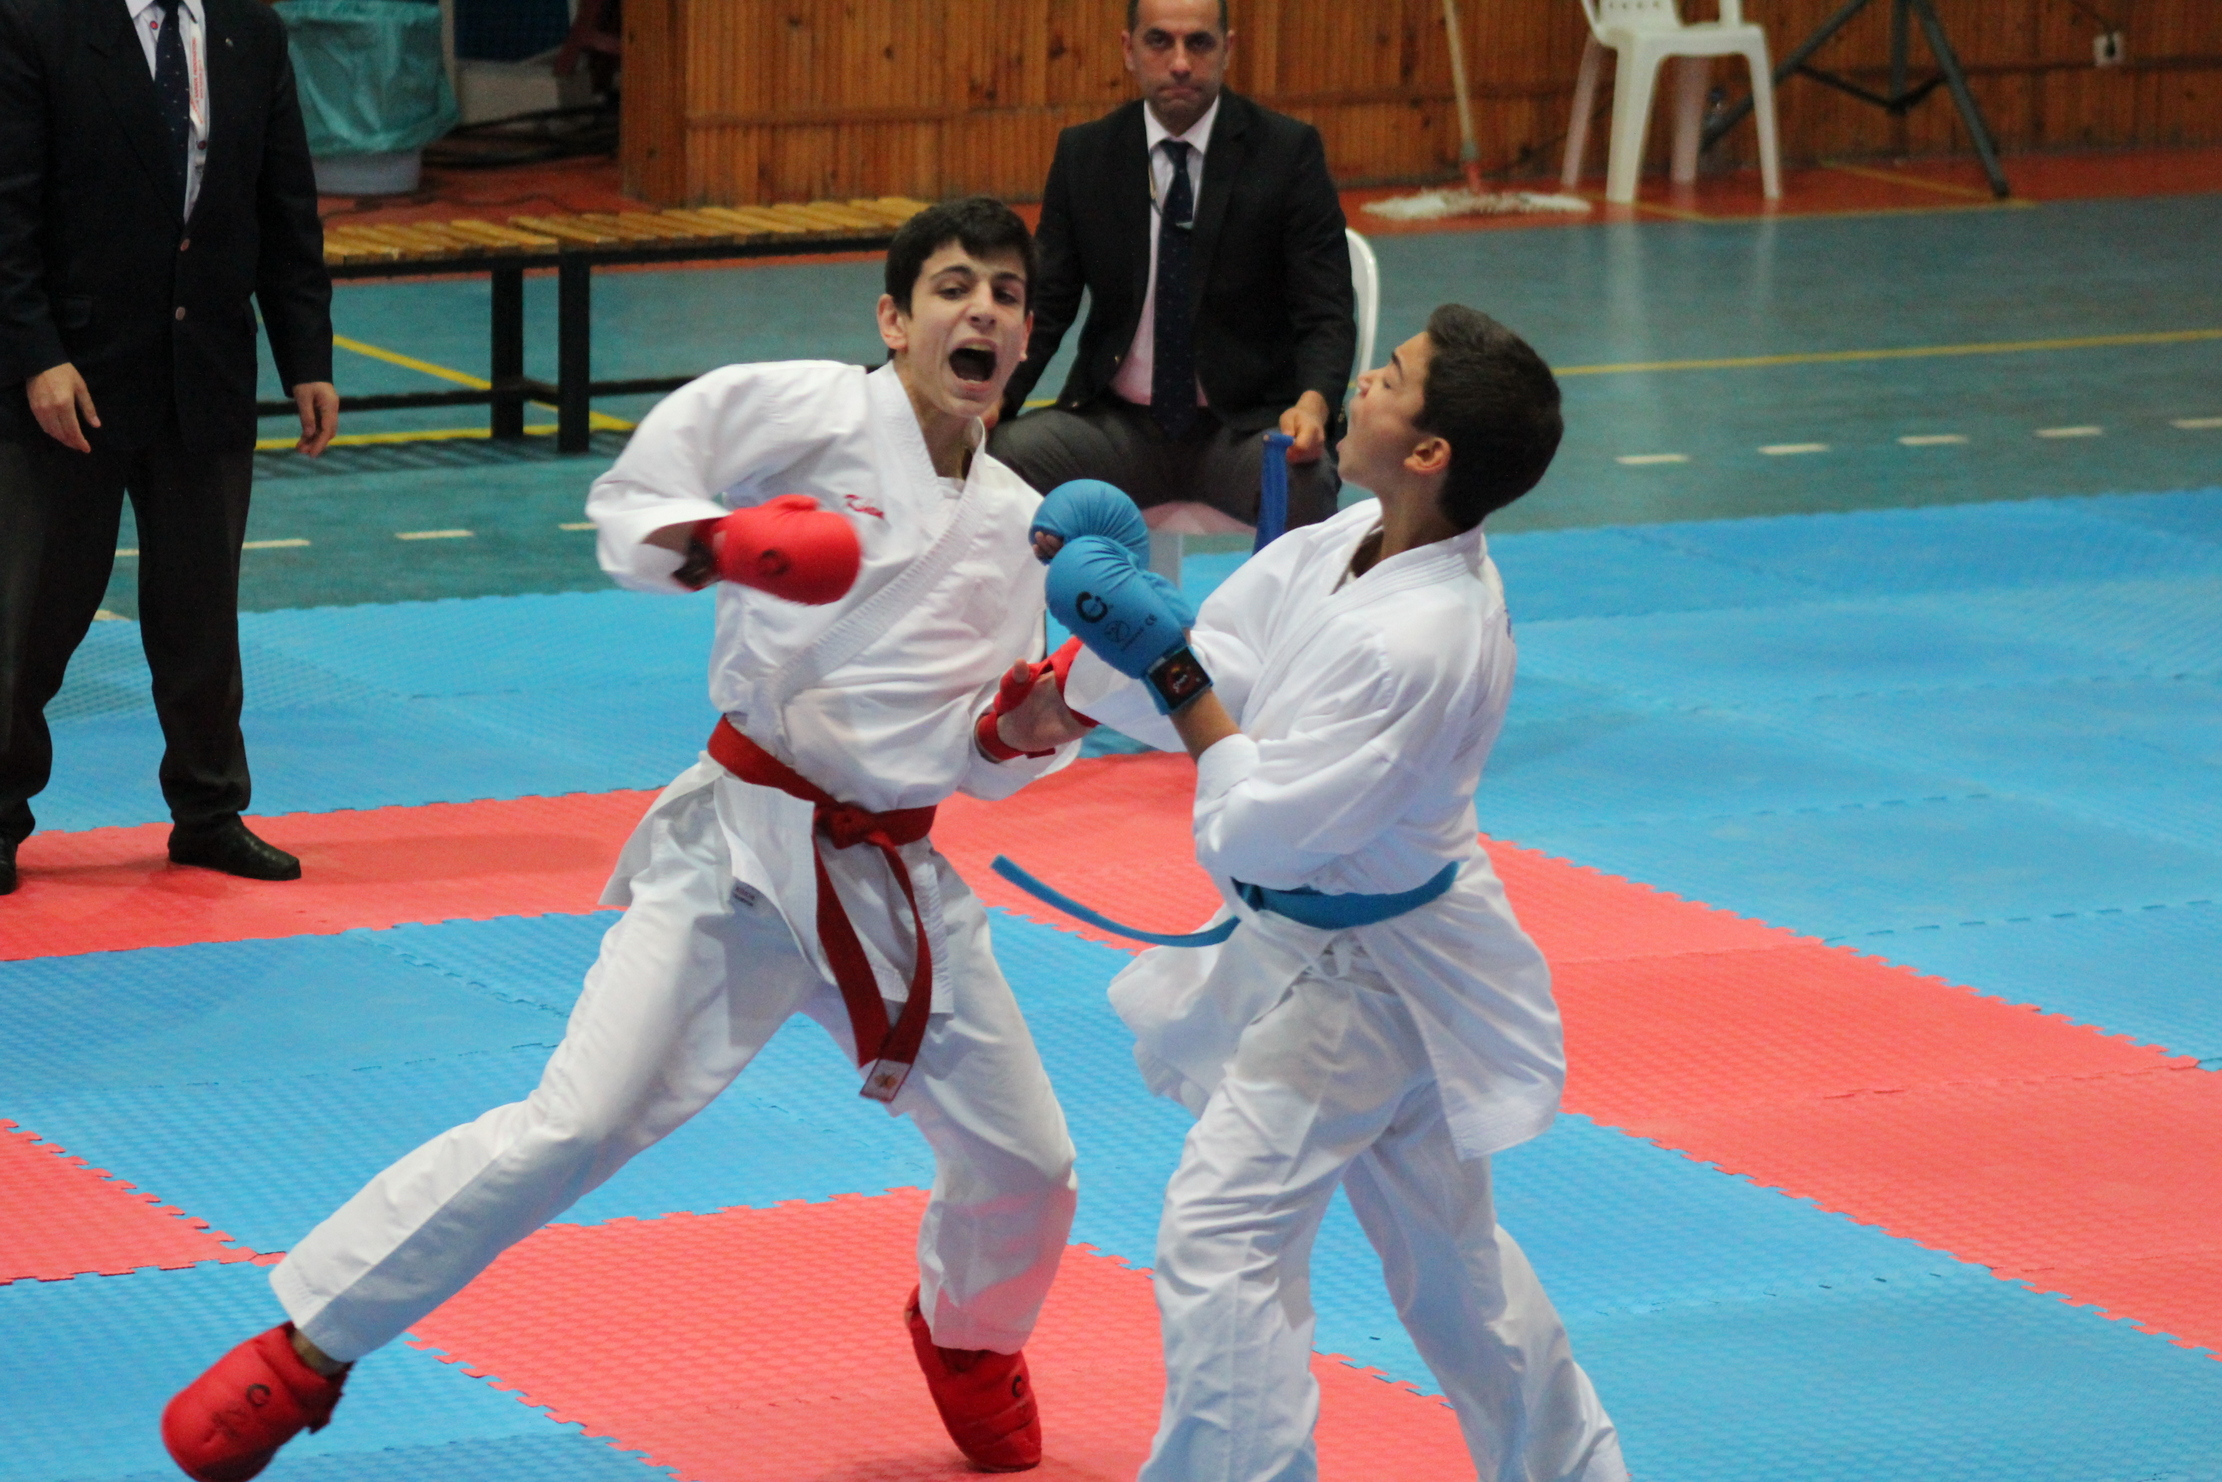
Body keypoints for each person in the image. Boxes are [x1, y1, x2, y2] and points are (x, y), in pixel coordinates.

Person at [159, 197, 1103, 1481]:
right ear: (893, 318)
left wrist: (1025, 727)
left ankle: (969, 1340)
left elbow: (972, 758)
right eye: (951, 287)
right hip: (738, 857)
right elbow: (631, 497)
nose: (980, 310)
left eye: (1004, 293)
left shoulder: (1014, 524)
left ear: (1029, 334)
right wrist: (718, 545)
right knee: (573, 1124)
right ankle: (308, 1344)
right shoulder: (807, 411)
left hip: (887, 875)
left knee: (1030, 1163)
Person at [1034, 305, 1630, 1481]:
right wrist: (1118, 652)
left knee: (1222, 1239)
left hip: (1360, 985)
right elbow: (1232, 666)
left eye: (1390, 377)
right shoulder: (1353, 535)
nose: (1361, 382)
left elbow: (1261, 826)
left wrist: (1166, 665)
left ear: (1429, 453)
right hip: (1375, 950)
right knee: (1452, 1271)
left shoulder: (1426, 641)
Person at [0, 0, 340, 896]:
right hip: (71, 380)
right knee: (33, 618)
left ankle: (210, 812)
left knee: (201, 615)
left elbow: (285, 202)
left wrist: (307, 357)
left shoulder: (250, 31)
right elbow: (7, 213)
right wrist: (37, 356)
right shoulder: (39, 26)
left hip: (207, 368)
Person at [990, 0, 1355, 537]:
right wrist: (997, 398)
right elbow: (1045, 304)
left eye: (1199, 43)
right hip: (1116, 426)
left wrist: (1314, 404)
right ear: (1129, 50)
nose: (1180, 63)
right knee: (996, 460)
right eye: (1159, 41)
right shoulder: (1085, 154)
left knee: (1301, 481)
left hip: (1244, 429)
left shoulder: (1287, 152)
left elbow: (1326, 311)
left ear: (1227, 50)